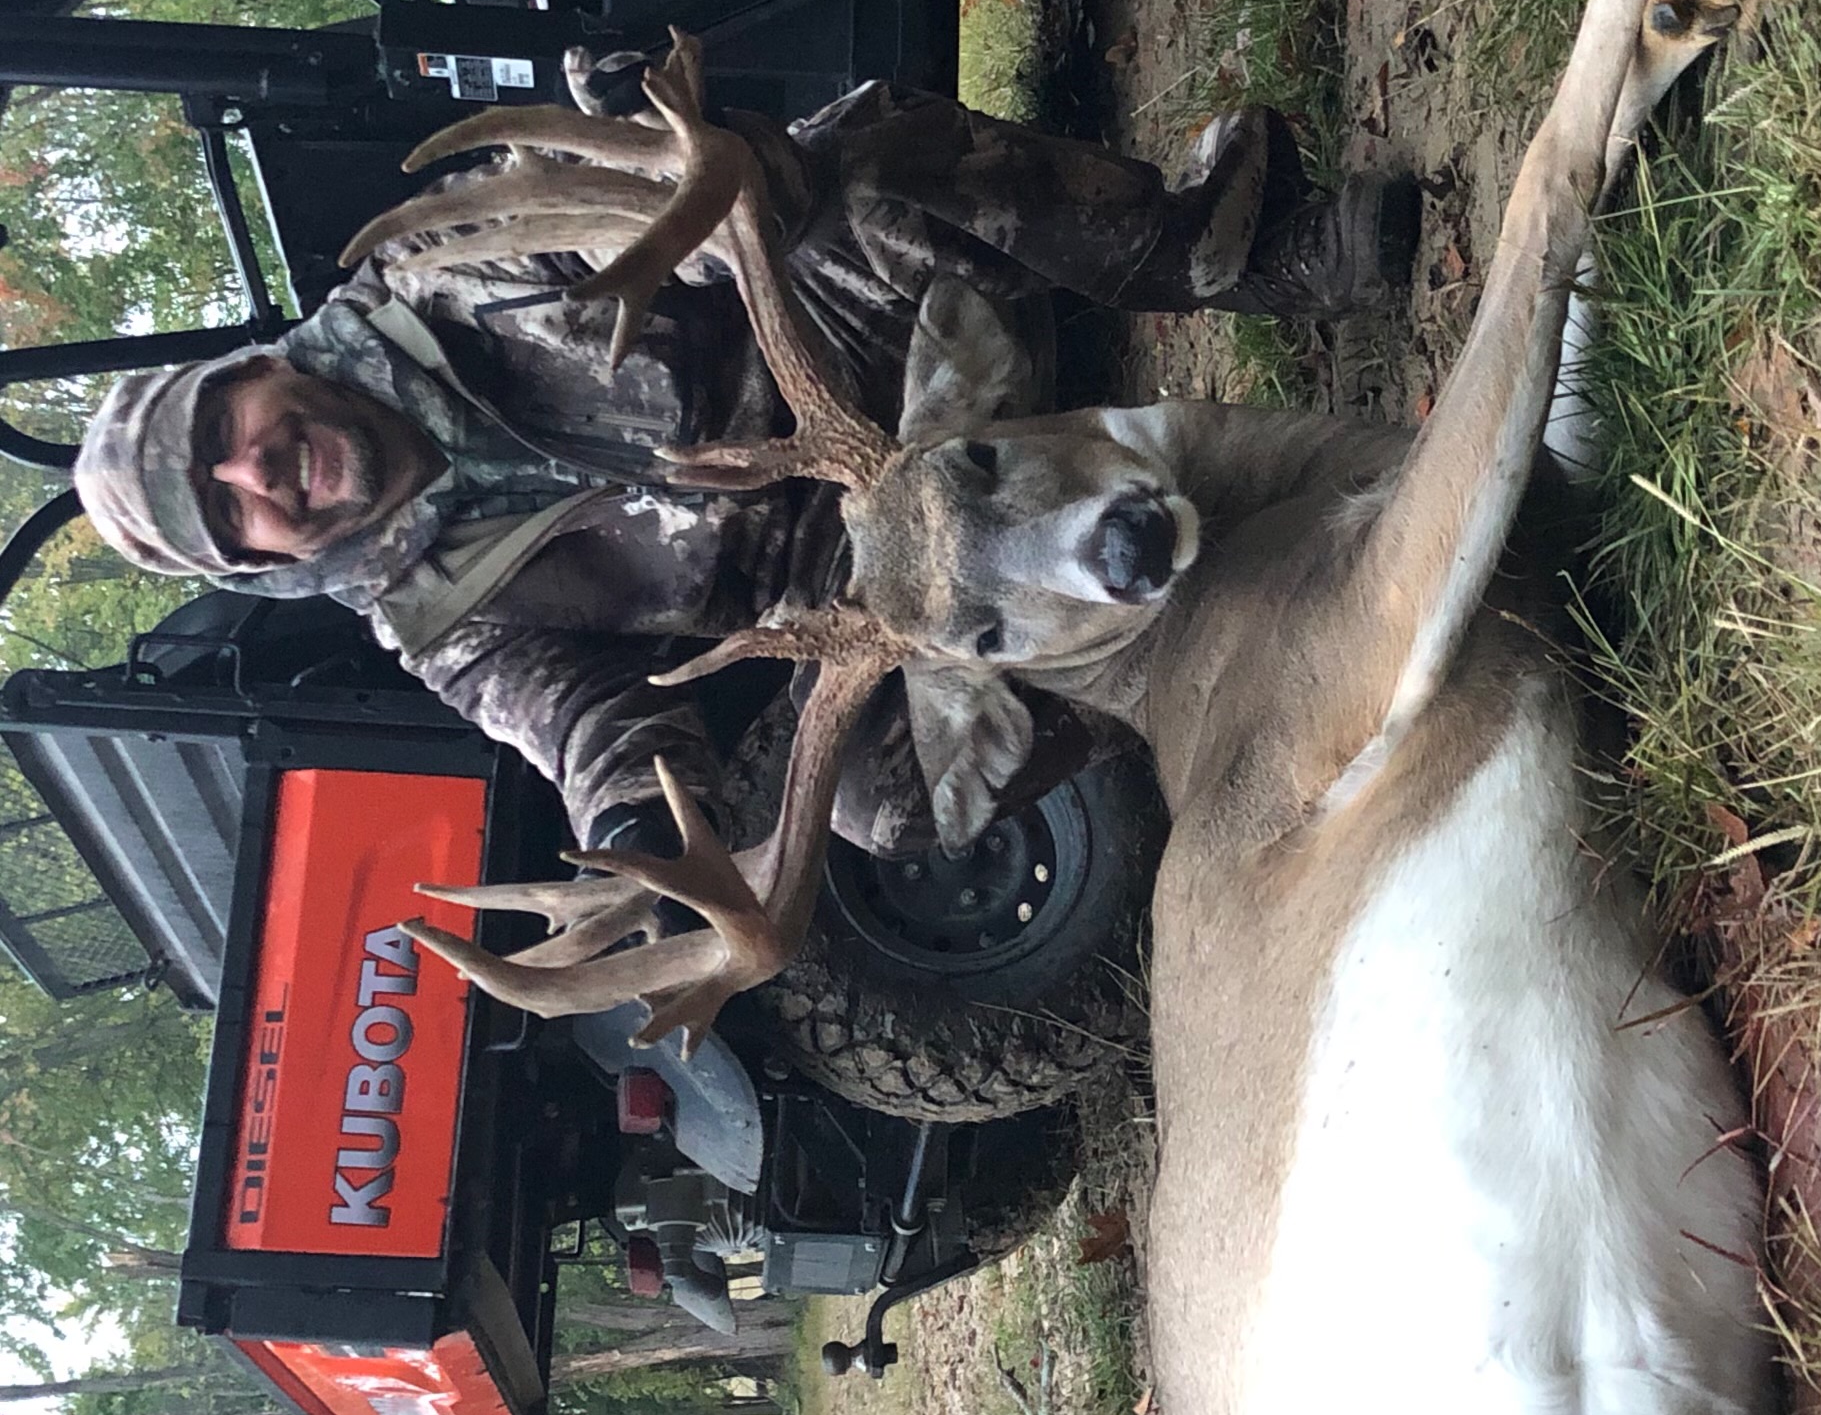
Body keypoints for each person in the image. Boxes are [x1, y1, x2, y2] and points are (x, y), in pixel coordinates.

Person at [74, 59, 1420, 859]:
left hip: (891, 367)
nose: (259, 474)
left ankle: (1214, 253)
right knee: (873, 812)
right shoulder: (438, 626)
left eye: (223, 438)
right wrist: (639, 842)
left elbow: (658, 210)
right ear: (259, 561)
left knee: (864, 175)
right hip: (874, 595)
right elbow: (591, 730)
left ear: (254, 376)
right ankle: (1173, 652)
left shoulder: (445, 272)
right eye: (225, 512)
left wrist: (721, 189)